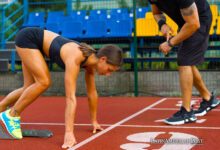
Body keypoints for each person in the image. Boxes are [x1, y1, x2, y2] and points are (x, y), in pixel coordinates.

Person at [0, 27, 123, 148]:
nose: (108, 74)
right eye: (109, 70)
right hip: (28, 39)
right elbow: (70, 98)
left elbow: (92, 93)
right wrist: (69, 133)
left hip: (33, 42)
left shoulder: (90, 64)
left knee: (28, 87)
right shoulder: (76, 57)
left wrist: (94, 121)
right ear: (103, 59)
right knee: (44, 82)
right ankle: (12, 115)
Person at [148, 0, 220, 125]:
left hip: (199, 20)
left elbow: (194, 23)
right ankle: (208, 99)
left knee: (184, 61)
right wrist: (162, 24)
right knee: (187, 61)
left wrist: (170, 43)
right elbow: (156, 13)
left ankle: (187, 113)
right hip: (185, 22)